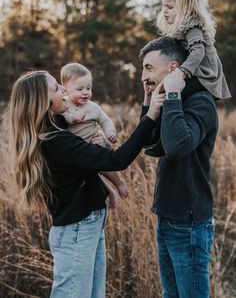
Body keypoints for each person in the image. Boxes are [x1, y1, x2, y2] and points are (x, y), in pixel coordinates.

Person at [8, 70, 164, 298]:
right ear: (43, 102)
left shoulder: (55, 131)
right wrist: (151, 115)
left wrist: (104, 188)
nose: (64, 90)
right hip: (76, 232)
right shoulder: (56, 141)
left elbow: (78, 172)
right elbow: (117, 160)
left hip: (85, 227)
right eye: (56, 88)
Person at [140, 37, 219, 298]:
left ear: (174, 68)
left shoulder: (200, 102)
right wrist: (149, 101)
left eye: (149, 68)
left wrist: (172, 94)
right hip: (167, 215)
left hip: (189, 222)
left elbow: (176, 146)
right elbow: (151, 143)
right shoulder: (171, 100)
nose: (143, 75)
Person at [60, 62, 128, 208]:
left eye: (88, 88)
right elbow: (56, 121)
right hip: (75, 151)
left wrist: (109, 132)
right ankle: (108, 191)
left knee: (104, 167)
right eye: (80, 89)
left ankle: (119, 183)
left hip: (93, 144)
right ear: (65, 90)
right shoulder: (62, 105)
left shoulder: (92, 107)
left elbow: (105, 120)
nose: (85, 92)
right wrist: (70, 118)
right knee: (88, 176)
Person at [157, 0, 231, 100]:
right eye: (164, 6)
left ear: (187, 8)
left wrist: (182, 72)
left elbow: (198, 52)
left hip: (205, 76)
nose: (165, 11)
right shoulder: (182, 28)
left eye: (170, 8)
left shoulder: (193, 27)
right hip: (196, 74)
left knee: (169, 92)